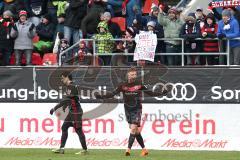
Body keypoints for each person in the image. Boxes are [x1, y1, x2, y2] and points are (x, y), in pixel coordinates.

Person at [95, 67, 169, 156]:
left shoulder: (139, 84)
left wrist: (162, 93)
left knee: (133, 128)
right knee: (136, 131)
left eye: (135, 74)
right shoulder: (122, 85)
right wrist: (101, 96)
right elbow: (112, 94)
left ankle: (128, 150)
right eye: (132, 74)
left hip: (137, 109)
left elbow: (151, 93)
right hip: (127, 109)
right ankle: (144, 150)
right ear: (128, 74)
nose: (134, 76)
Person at [50, 72, 88, 155]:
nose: (61, 79)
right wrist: (65, 107)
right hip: (71, 112)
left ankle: (85, 150)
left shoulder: (72, 87)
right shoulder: (68, 87)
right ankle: (61, 149)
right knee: (64, 127)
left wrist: (54, 108)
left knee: (78, 130)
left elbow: (66, 100)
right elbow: (70, 100)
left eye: (62, 78)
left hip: (76, 112)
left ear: (67, 77)